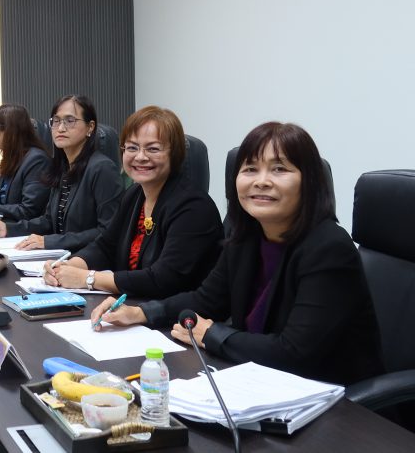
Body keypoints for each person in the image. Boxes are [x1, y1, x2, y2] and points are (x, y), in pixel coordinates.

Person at [90, 122, 383, 385]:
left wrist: (212, 335)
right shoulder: (247, 237)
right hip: (256, 378)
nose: (261, 181)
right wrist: (141, 313)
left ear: (309, 182)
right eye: (250, 169)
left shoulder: (329, 248)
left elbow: (295, 353)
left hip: (331, 402)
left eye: (279, 169)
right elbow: (205, 301)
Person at [44, 105, 222, 298]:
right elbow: (105, 246)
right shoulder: (135, 195)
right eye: (132, 147)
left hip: (173, 313)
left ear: (174, 153)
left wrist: (88, 278)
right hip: (132, 305)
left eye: (153, 149)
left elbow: (163, 279)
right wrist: (67, 266)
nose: (140, 157)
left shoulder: (194, 208)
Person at [0, 95, 123, 251]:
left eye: (70, 121)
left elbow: (107, 231)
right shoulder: (64, 167)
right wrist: (9, 229)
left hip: (86, 260)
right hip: (61, 255)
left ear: (90, 127)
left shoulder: (102, 169)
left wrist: (50, 242)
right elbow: (49, 221)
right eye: (56, 121)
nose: (61, 128)